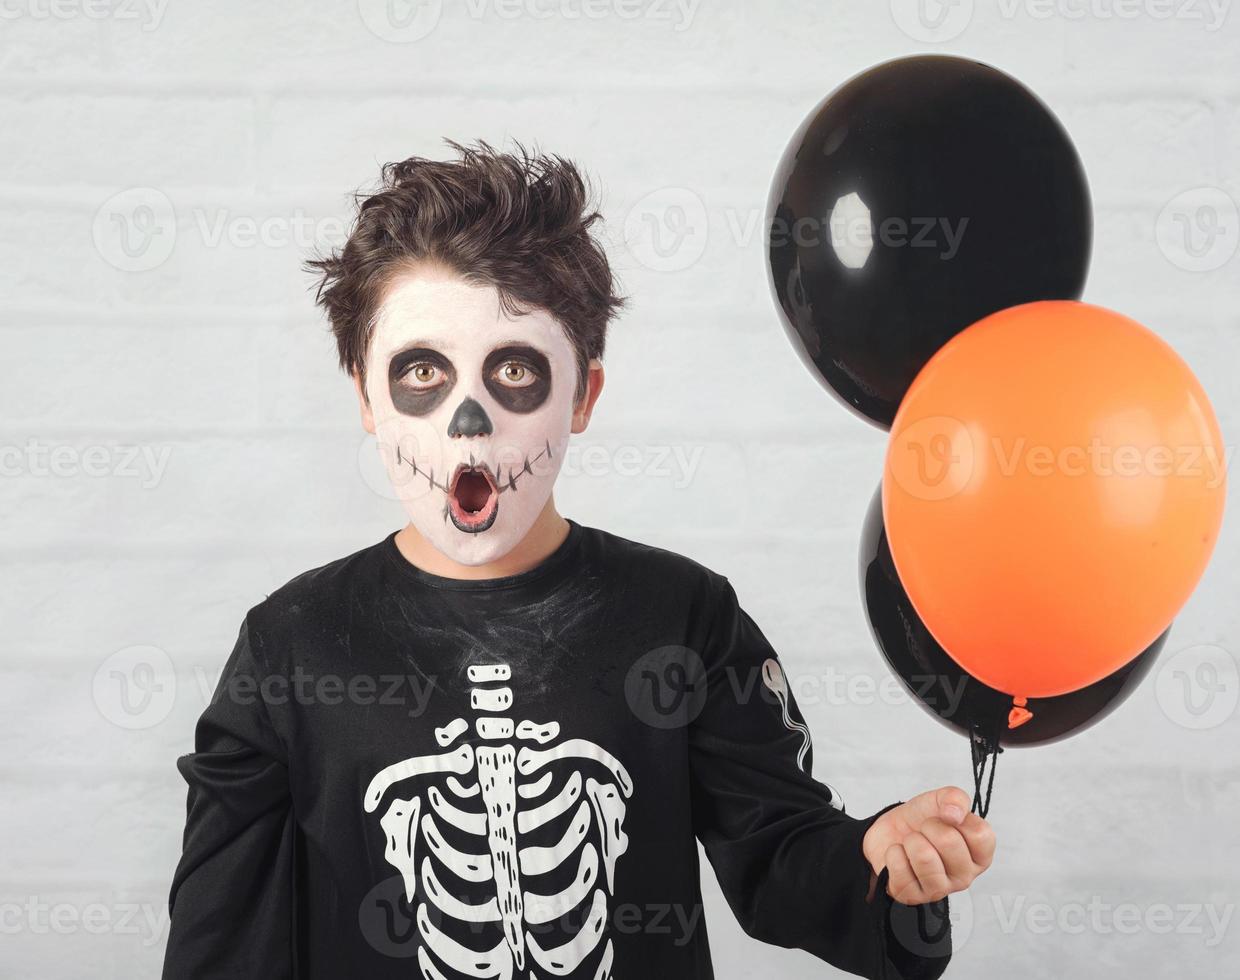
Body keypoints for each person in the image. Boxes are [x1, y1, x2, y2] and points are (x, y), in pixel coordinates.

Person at [162, 141, 995, 980]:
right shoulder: (291, 645)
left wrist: (884, 865)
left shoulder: (683, 616)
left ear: (584, 396)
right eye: (422, 370)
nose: (468, 424)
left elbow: (782, 859)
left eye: (515, 368)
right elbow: (223, 941)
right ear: (366, 397)